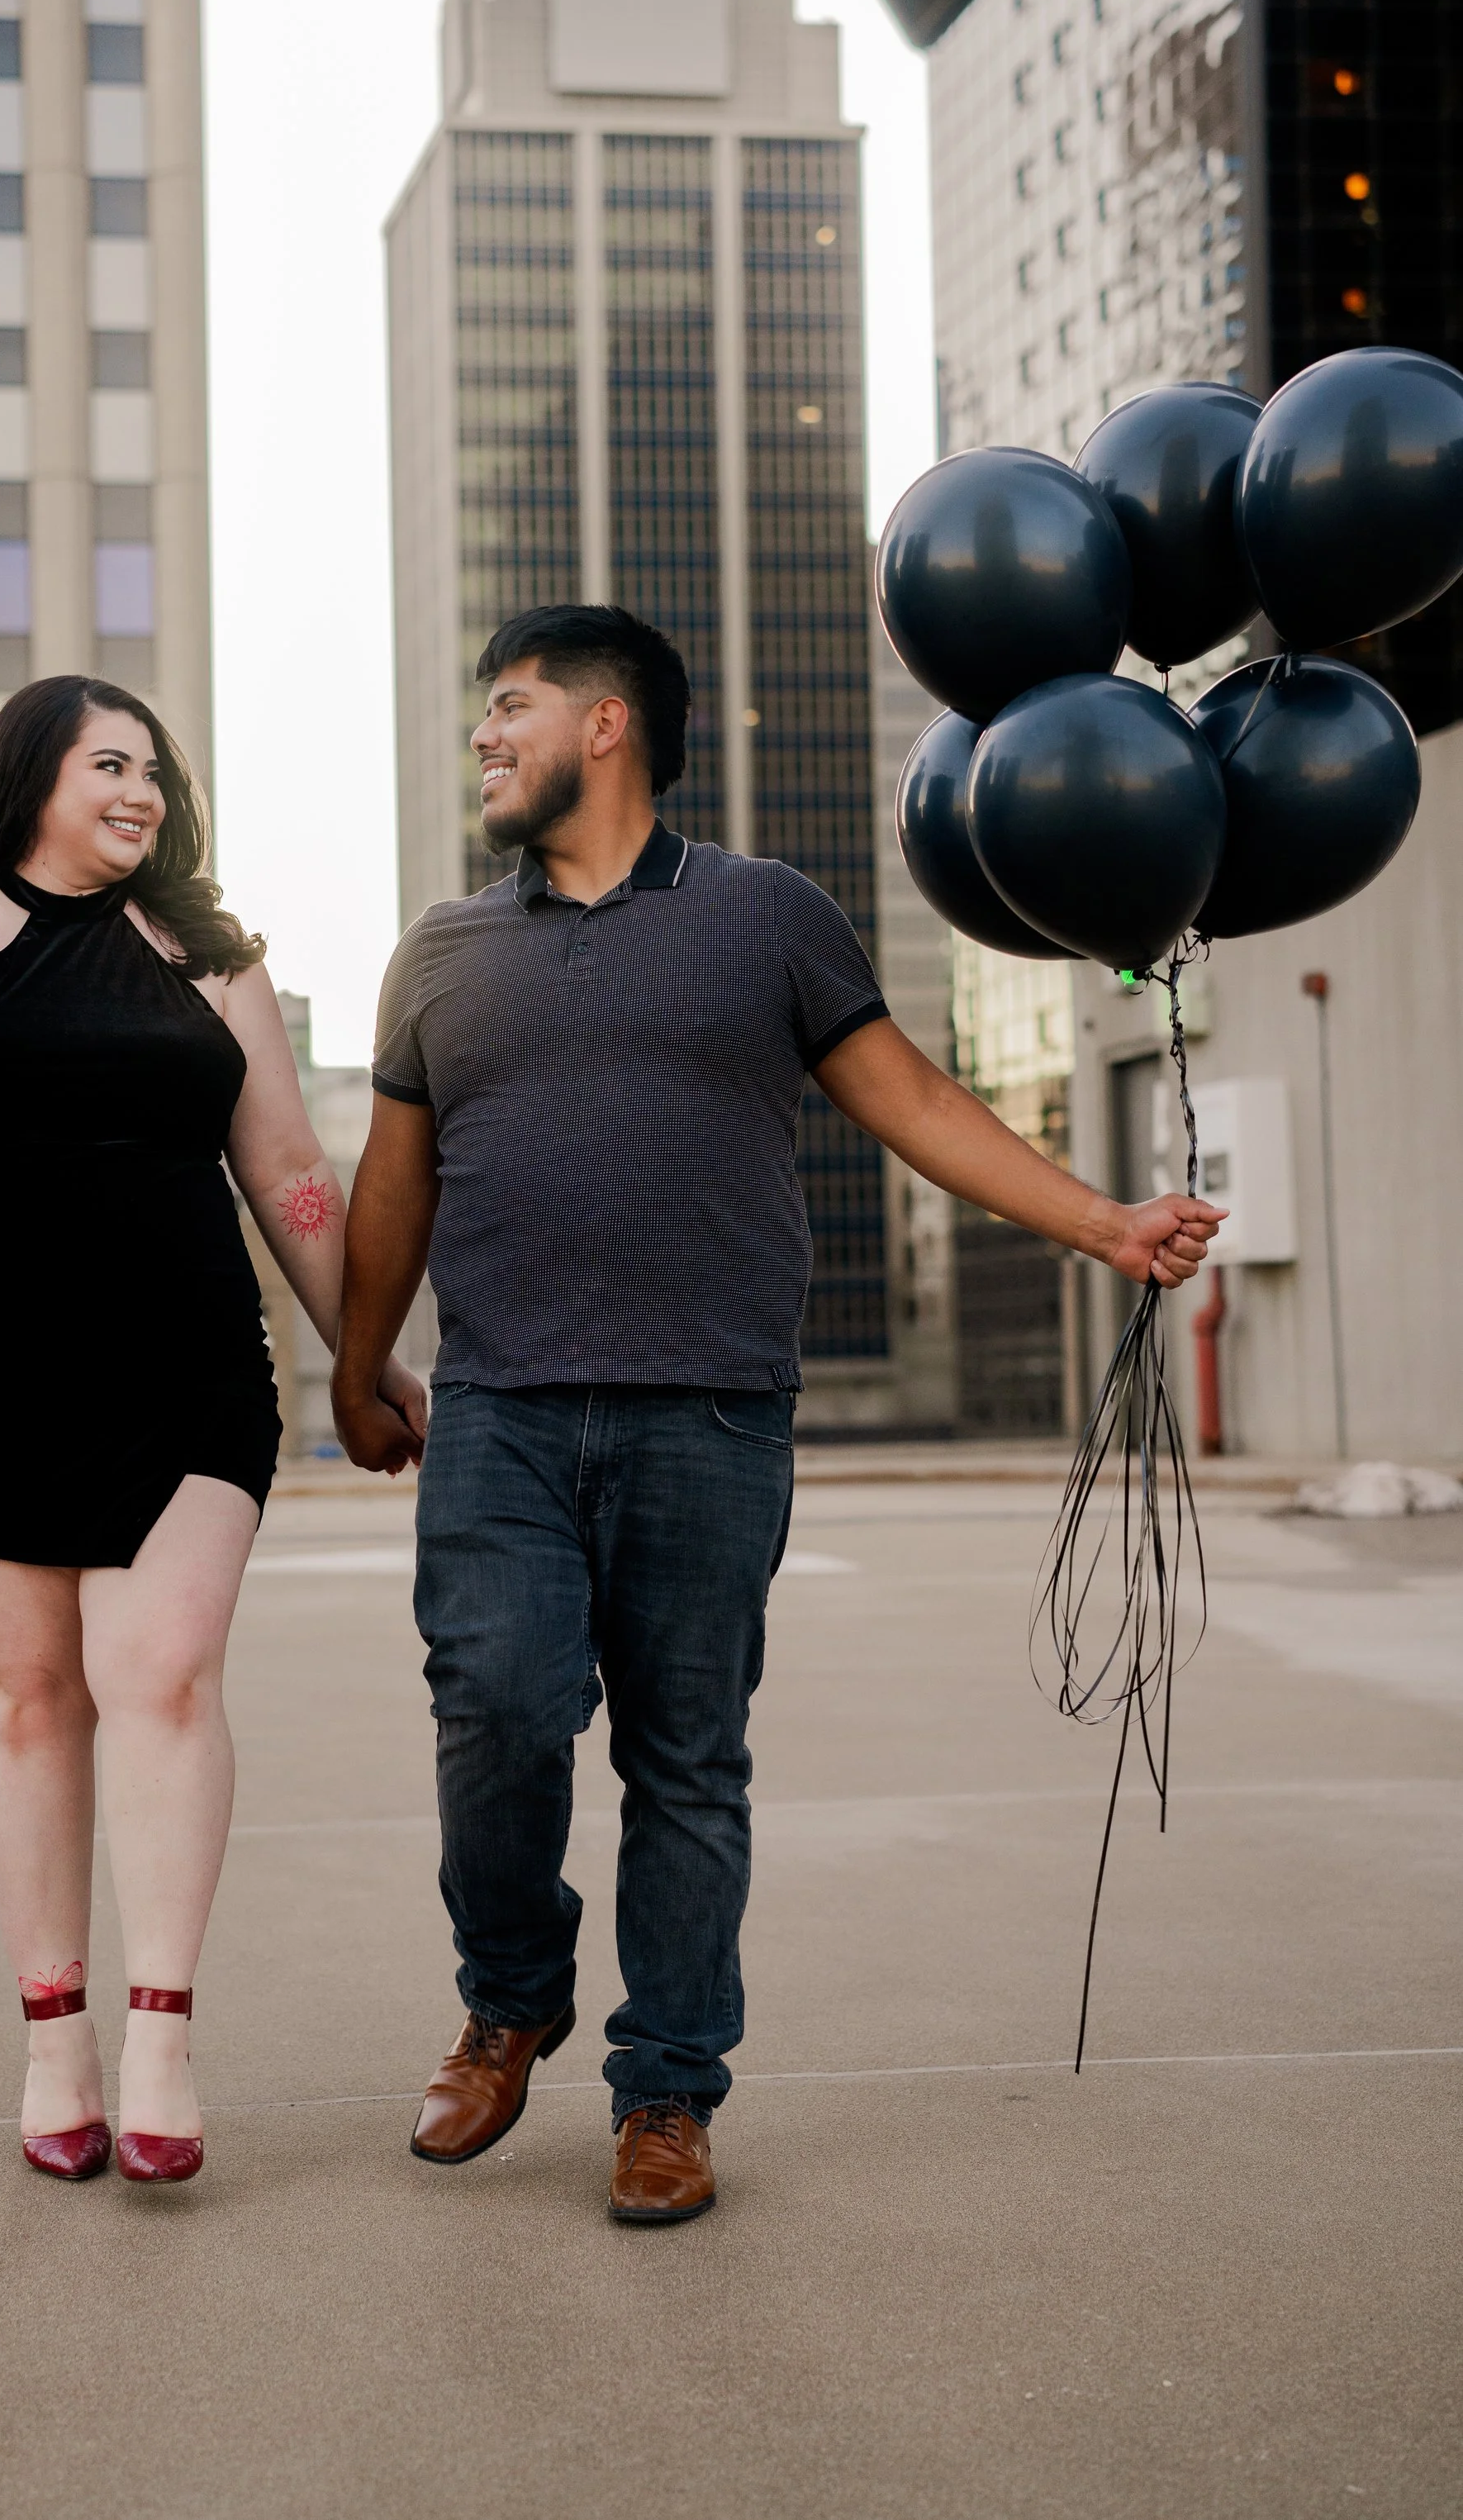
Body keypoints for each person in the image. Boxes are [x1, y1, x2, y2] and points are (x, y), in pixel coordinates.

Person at [331, 604, 1222, 2228]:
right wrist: (348, 1365)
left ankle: (665, 2089)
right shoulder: (441, 950)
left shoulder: (764, 919)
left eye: (509, 707)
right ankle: (510, 1990)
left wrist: (1100, 1223)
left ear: (607, 728)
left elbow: (914, 1102)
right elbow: (392, 1179)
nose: (483, 736)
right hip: (499, 1413)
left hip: (711, 1415)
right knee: (496, 1713)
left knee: (687, 1763)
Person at [0, 676, 425, 2188]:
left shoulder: (211, 953)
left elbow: (289, 1175)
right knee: (24, 1701)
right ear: (33, 775)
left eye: (155, 770)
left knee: (162, 1670)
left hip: (186, 1368)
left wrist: (364, 1358)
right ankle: (53, 2038)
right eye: (110, 765)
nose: (141, 792)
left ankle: (159, 2039)